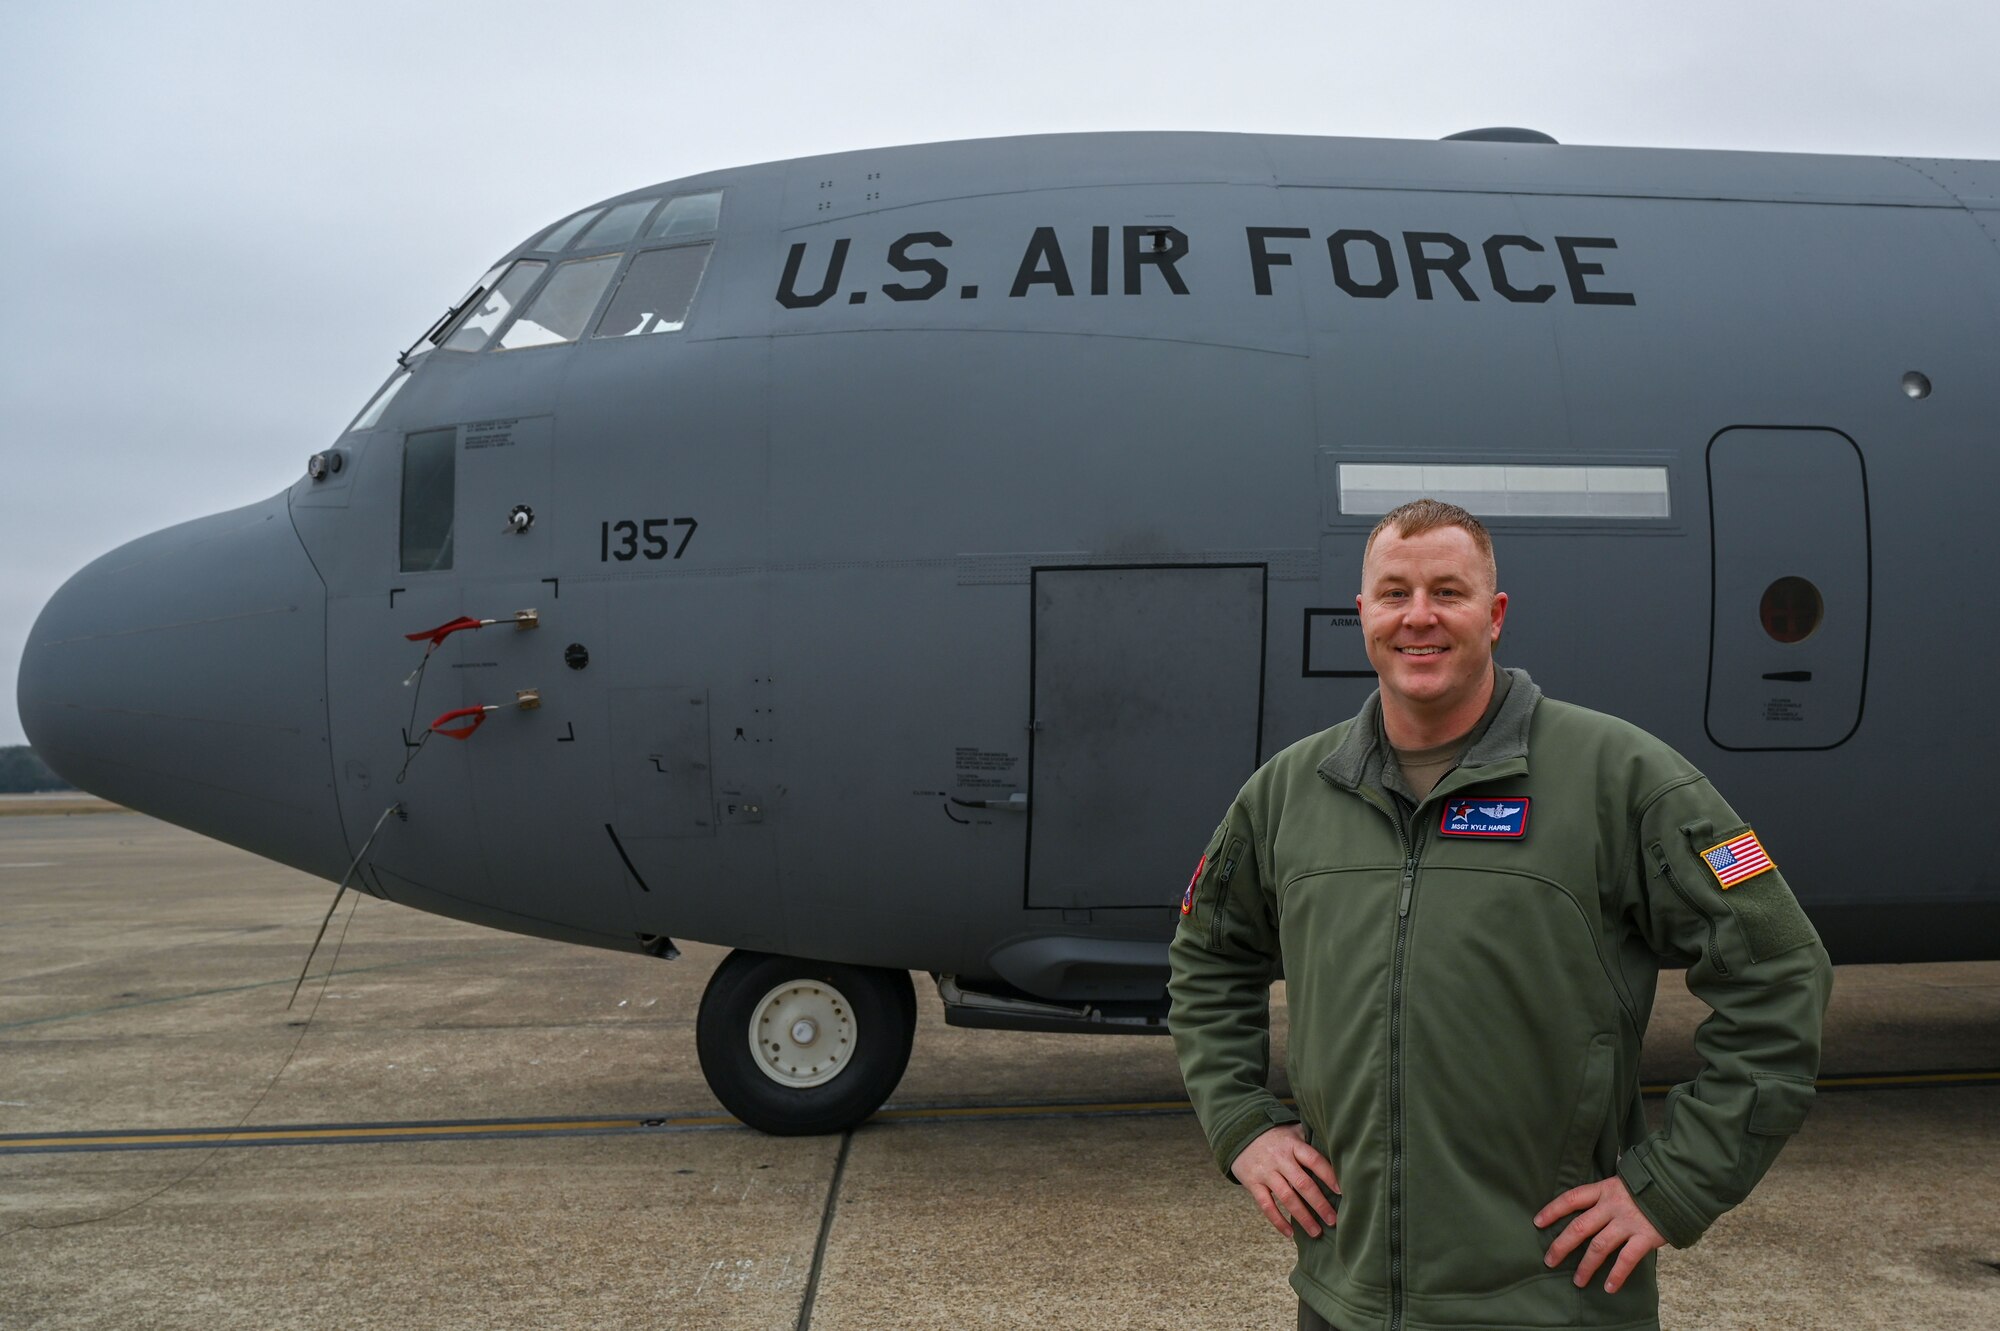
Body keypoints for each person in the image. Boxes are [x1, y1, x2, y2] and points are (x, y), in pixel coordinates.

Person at [1168, 499, 1832, 1331]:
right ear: (1363, 613)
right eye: (1394, 592)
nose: (1420, 616)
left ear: (1495, 613)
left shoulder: (1618, 777)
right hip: (1344, 1298)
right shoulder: (1289, 792)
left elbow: (1778, 967)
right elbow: (1207, 955)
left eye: (1448, 591)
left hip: (1549, 1299)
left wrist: (1674, 1186)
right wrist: (1241, 1122)